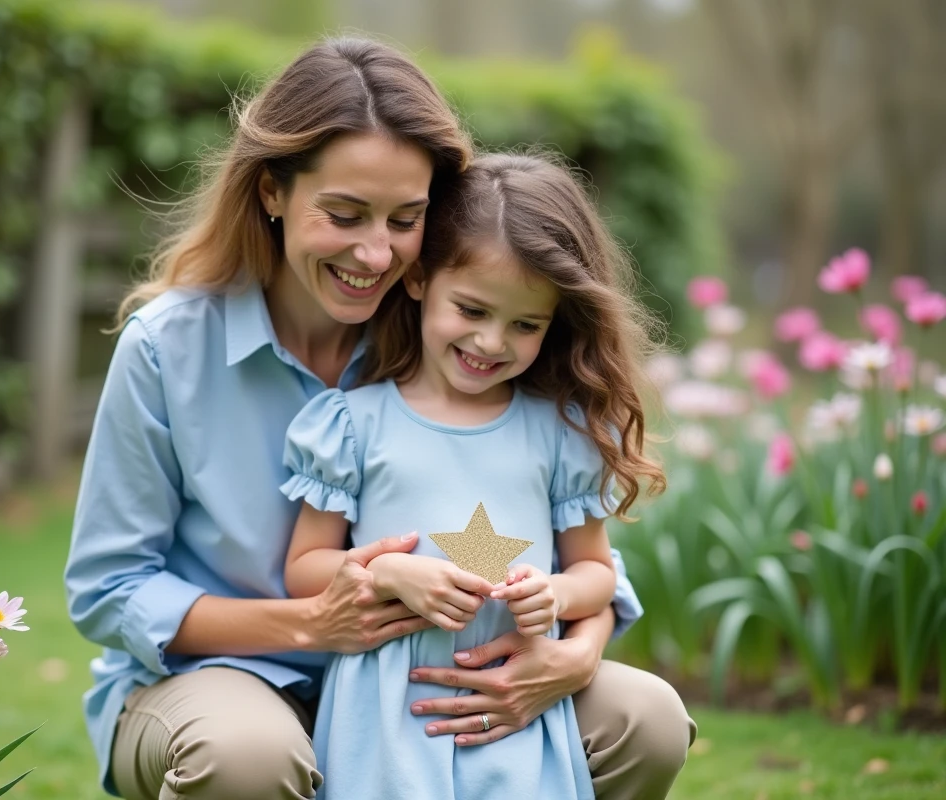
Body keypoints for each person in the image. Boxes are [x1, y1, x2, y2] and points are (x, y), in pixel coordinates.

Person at [64, 36, 695, 800]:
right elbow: (109, 589)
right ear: (272, 193)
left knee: (647, 718)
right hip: (219, 680)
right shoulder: (168, 349)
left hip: (424, 680)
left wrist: (580, 652)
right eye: (344, 213)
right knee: (249, 756)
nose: (374, 253)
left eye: (405, 219)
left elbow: (566, 549)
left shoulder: (453, 337)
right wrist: (309, 625)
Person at [281, 152, 665, 800]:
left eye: (525, 325)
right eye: (473, 309)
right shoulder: (353, 423)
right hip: (385, 709)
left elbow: (595, 573)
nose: (492, 342)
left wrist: (557, 598)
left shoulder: (559, 432)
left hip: (514, 699)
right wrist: (388, 574)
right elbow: (305, 568)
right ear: (420, 280)